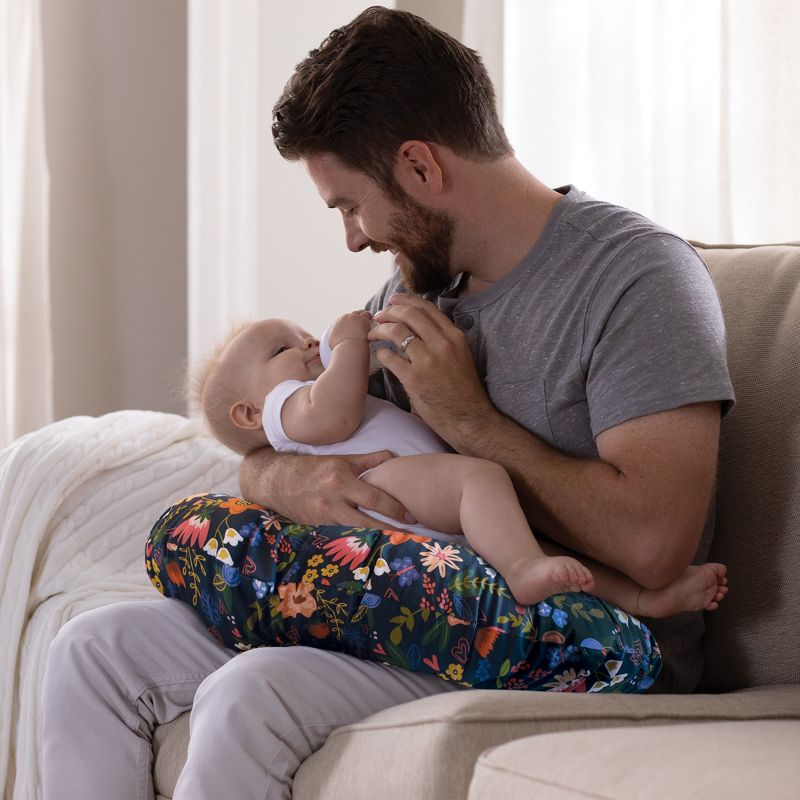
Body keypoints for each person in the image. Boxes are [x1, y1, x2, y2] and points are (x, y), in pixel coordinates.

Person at [42, 7, 735, 799]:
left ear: (420, 166)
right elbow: (301, 440)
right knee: (94, 648)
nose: (352, 238)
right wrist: (285, 482)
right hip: (391, 609)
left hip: (566, 646)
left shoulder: (636, 281)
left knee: (251, 692)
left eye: (348, 204)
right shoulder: (417, 286)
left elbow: (654, 546)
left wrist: (469, 418)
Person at [195, 310, 727, 616]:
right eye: (282, 348)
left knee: (525, 533)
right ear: (248, 413)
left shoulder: (307, 386)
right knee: (482, 480)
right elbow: (332, 417)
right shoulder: (285, 407)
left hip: (419, 493)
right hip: (380, 485)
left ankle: (639, 598)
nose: (308, 341)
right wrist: (348, 341)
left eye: (301, 332)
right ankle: (522, 572)